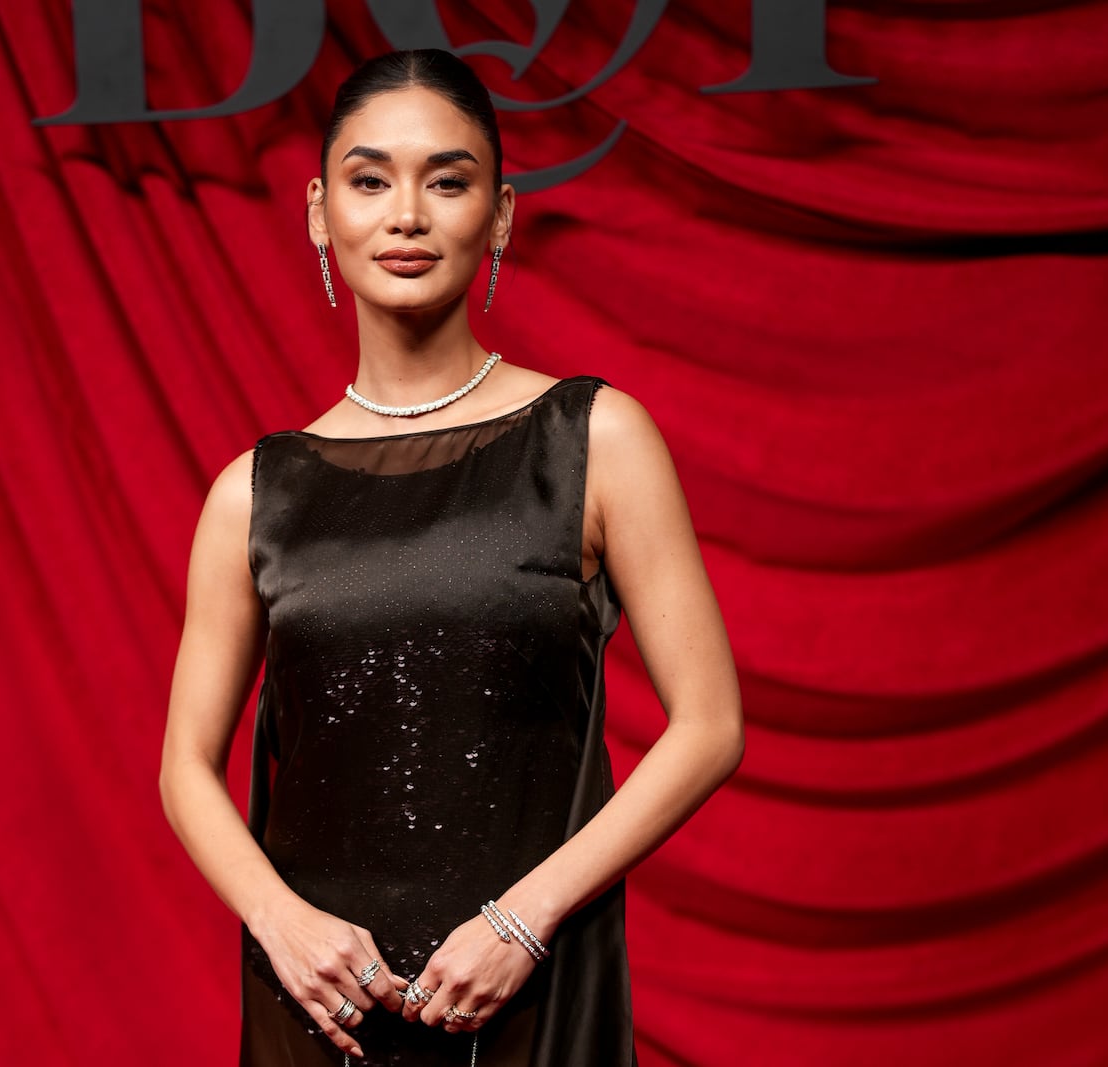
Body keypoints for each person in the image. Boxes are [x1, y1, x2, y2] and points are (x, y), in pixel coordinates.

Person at [158, 48, 744, 1067]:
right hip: (323, 996)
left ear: (501, 214)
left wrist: (524, 920)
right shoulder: (255, 492)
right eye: (370, 178)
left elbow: (709, 726)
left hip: (526, 978)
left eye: (448, 180)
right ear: (317, 209)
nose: (407, 216)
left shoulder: (594, 438)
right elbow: (183, 766)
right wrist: (280, 921)